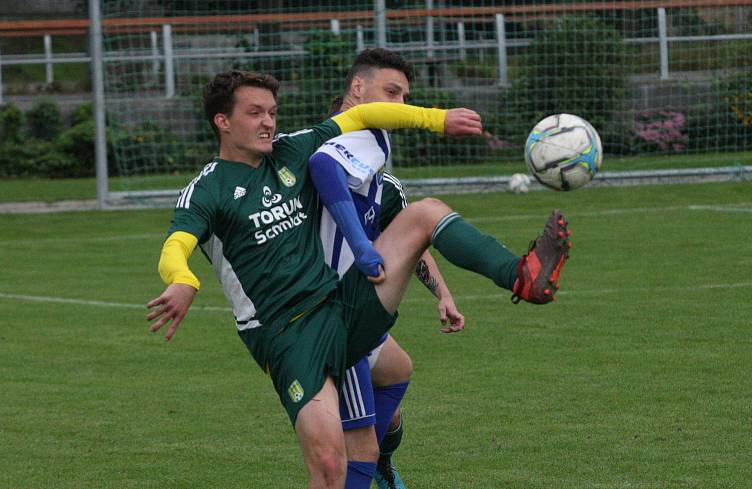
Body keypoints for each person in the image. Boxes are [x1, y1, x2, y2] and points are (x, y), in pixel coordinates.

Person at [146, 69, 570, 489]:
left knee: (423, 213)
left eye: (272, 112)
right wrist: (183, 280)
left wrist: (438, 120)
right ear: (223, 121)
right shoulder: (207, 188)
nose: (269, 123)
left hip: (340, 304)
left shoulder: (291, 150)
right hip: (286, 334)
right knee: (332, 469)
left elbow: (363, 116)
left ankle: (522, 276)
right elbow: (176, 244)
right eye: (255, 113)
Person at [317, 48, 465, 489]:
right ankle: (363, 466)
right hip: (332, 312)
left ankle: (371, 465)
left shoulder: (384, 186)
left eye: (404, 97)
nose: (397, 107)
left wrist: (443, 294)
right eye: (391, 94)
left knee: (397, 369)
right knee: (355, 446)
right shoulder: (322, 159)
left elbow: (412, 244)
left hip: (359, 308)